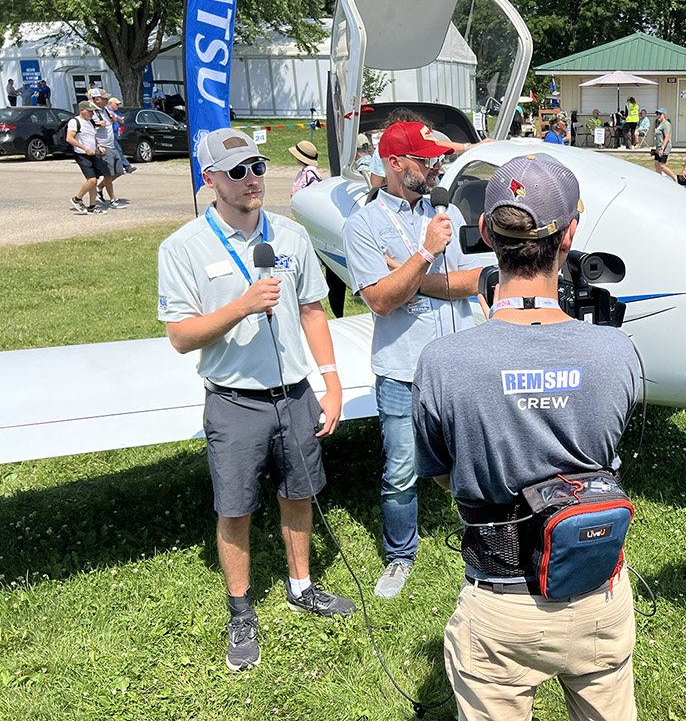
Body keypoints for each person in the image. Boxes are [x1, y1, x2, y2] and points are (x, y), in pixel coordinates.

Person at [412, 153, 642, 721]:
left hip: (499, 605)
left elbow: (442, 469)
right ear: (569, 235)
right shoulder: (618, 352)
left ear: (487, 233)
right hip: (597, 593)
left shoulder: (443, 362)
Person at [157, 128, 355, 672]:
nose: (252, 180)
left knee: (299, 495)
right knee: (236, 508)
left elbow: (314, 310)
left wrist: (331, 381)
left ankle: (300, 586)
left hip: (295, 395)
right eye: (238, 171)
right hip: (234, 402)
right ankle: (241, 611)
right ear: (211, 180)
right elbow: (180, 336)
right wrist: (242, 306)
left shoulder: (289, 238)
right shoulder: (183, 247)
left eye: (258, 168)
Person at [341, 121, 482, 599]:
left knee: (470, 459)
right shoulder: (364, 225)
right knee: (401, 469)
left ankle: (483, 533)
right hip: (403, 371)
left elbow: (471, 281)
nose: (434, 166)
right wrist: (423, 254)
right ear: (395, 163)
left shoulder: (444, 214)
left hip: (458, 364)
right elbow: (380, 301)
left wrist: (409, 276)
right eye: (423, 159)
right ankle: (401, 556)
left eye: (435, 158)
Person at [368, 108, 490, 190]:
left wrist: (470, 147)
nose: (436, 166)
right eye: (426, 160)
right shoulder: (383, 151)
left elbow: (376, 183)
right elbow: (377, 184)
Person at [65, 101, 106, 215]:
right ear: (82, 110)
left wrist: (98, 146)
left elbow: (92, 137)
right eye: (90, 111)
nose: (92, 114)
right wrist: (84, 148)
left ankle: (92, 206)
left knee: (94, 181)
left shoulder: (90, 122)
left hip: (92, 154)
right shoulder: (75, 122)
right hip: (82, 154)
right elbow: (70, 138)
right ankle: (77, 199)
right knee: (92, 180)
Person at [88, 89, 126, 210]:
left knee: (120, 171)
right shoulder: (92, 111)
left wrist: (116, 119)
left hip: (111, 145)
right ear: (97, 99)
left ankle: (99, 189)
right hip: (103, 146)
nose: (106, 100)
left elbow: (112, 120)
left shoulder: (104, 110)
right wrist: (99, 125)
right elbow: (87, 128)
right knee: (108, 175)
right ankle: (113, 200)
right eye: (104, 98)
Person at [105, 97, 137, 174]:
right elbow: (110, 119)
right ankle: (127, 166)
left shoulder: (116, 112)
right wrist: (115, 118)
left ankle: (116, 167)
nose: (117, 106)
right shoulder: (106, 110)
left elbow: (121, 121)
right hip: (108, 134)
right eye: (116, 104)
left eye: (118, 104)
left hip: (115, 134)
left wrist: (115, 117)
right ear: (111, 103)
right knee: (118, 150)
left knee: (114, 151)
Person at [652, 107, 675, 181]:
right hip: (658, 147)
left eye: (660, 114)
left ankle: (675, 178)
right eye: (657, 114)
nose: (658, 115)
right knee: (656, 164)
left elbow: (667, 137)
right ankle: (659, 179)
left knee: (662, 166)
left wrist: (662, 148)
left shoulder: (666, 124)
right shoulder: (659, 124)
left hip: (664, 148)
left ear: (664, 115)